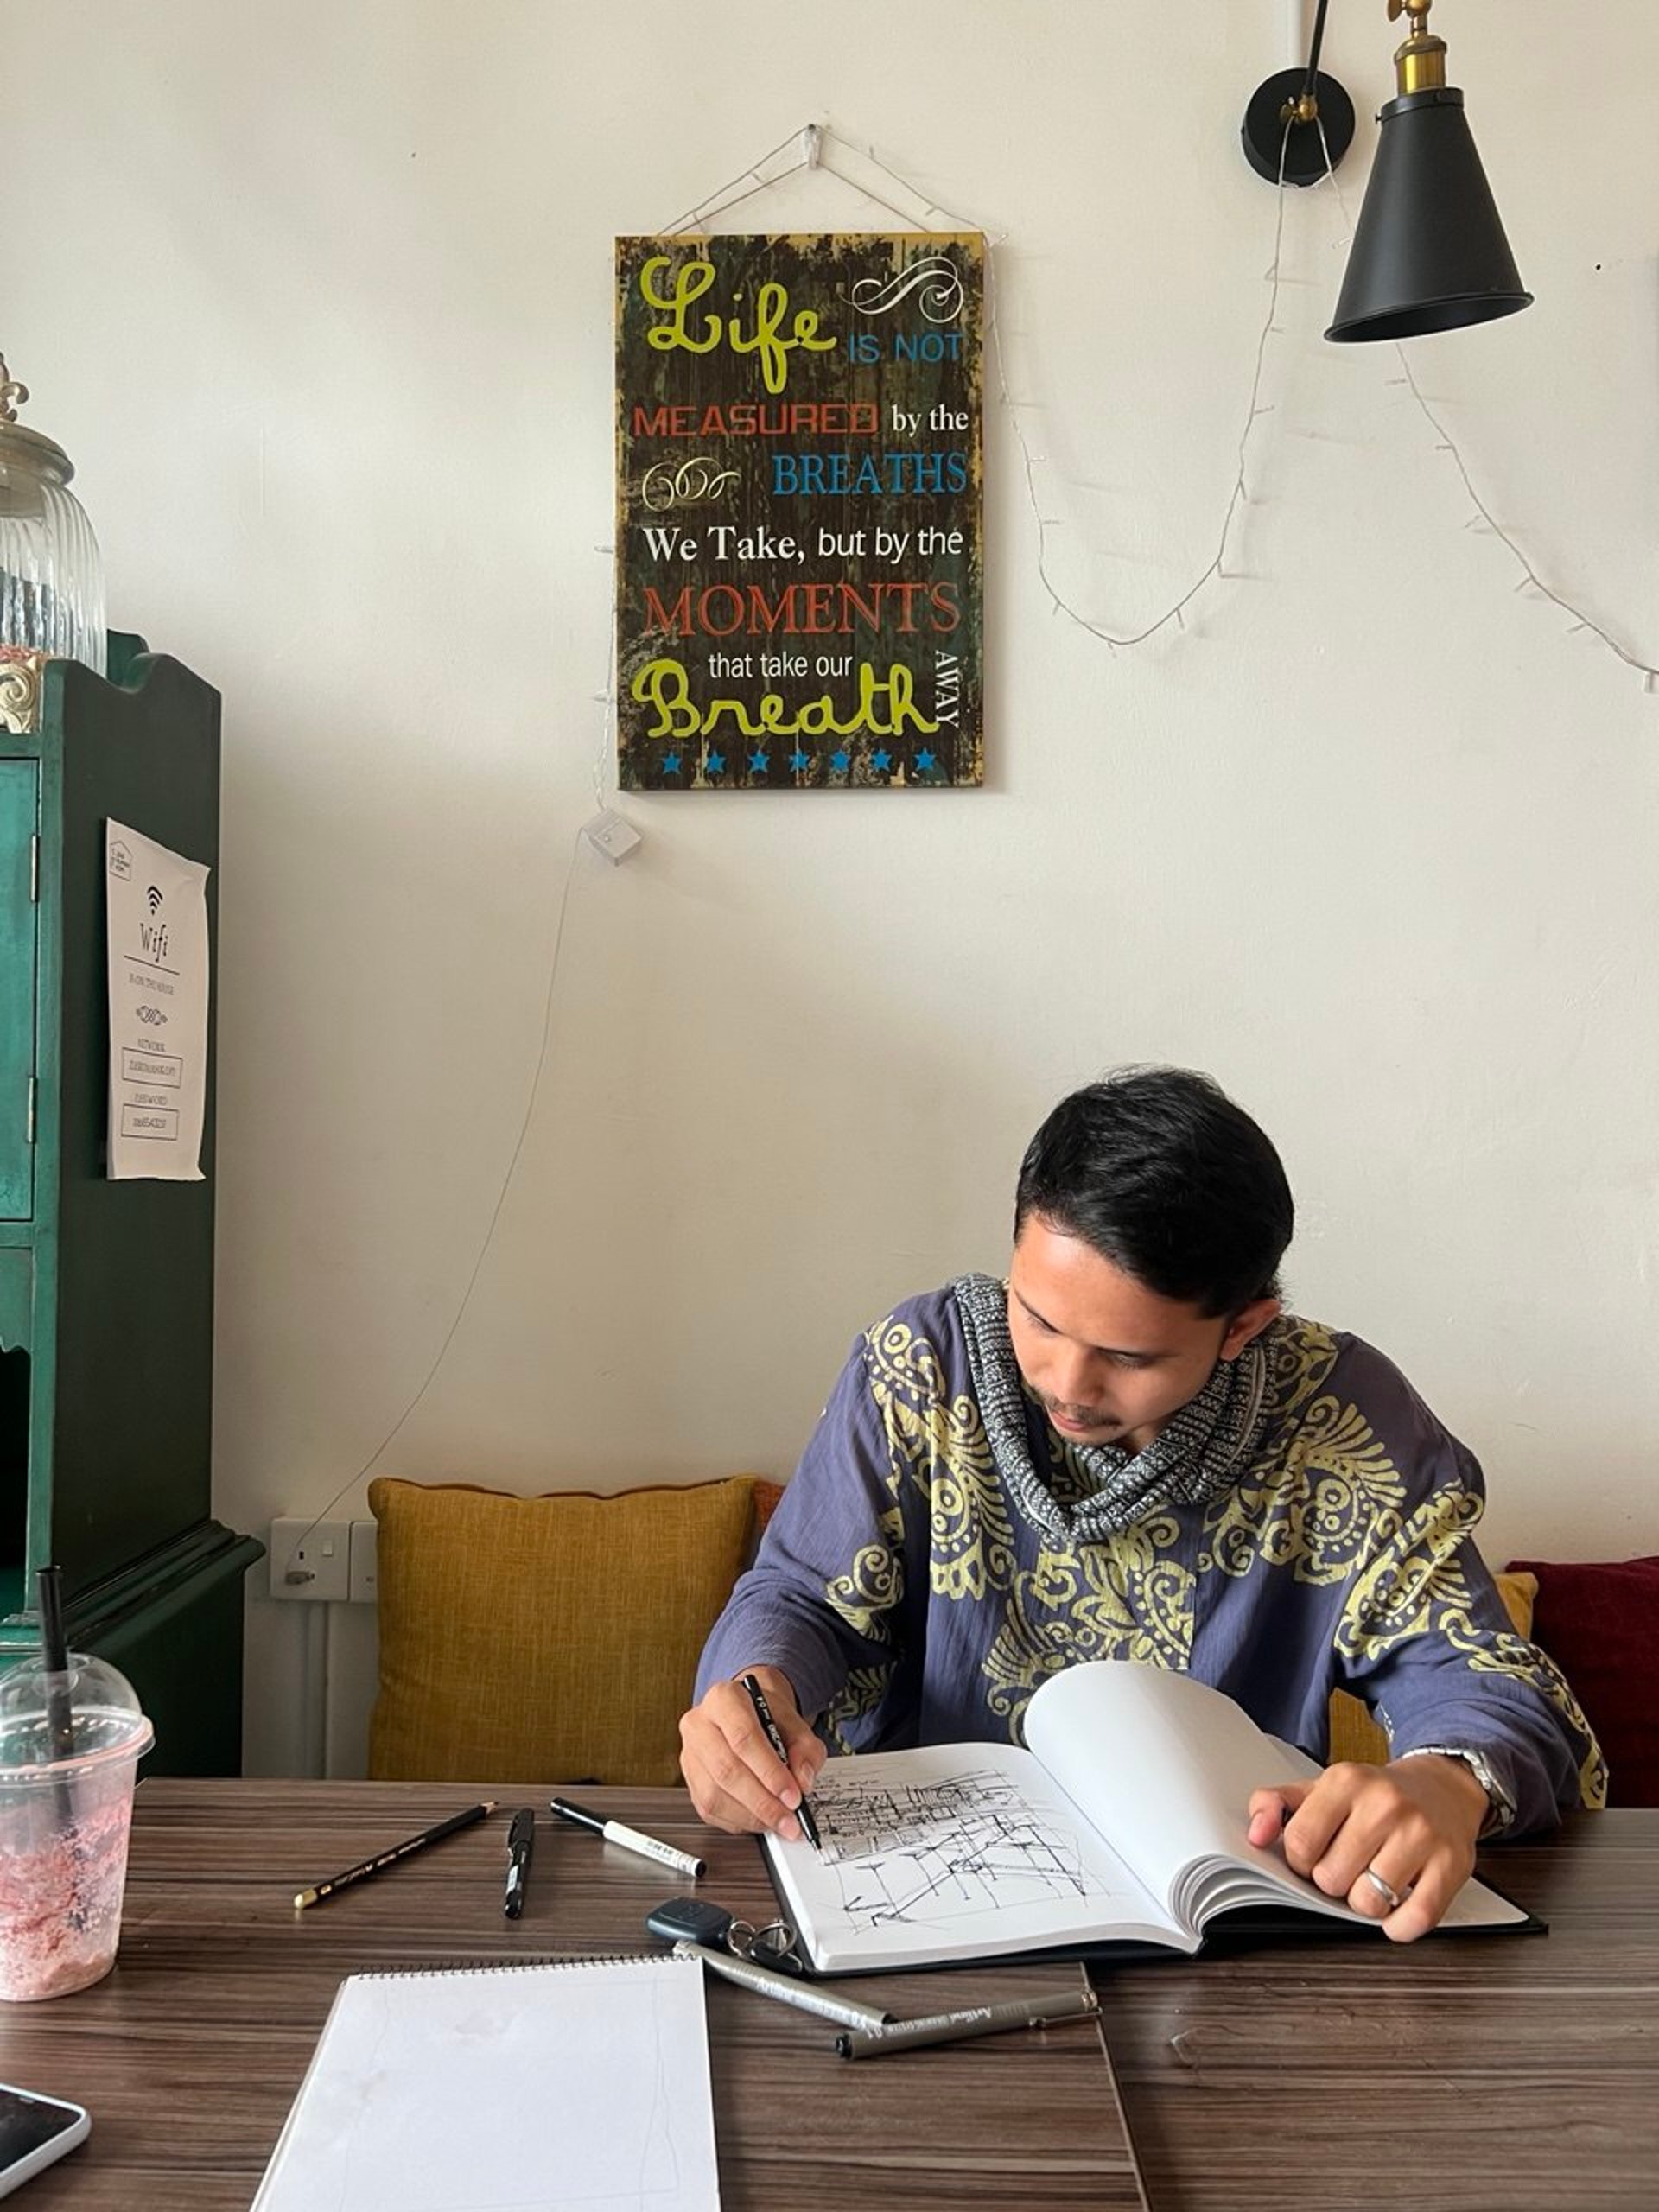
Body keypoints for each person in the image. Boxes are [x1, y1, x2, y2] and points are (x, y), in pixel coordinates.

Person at [680, 1066, 1605, 1942]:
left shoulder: (1342, 1416)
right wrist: (756, 1690)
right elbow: (800, 1596)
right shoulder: (923, 1363)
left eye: (1130, 1357)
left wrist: (1443, 1784)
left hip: (1224, 1911)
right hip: (926, 1898)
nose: (1068, 1384)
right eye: (1038, 1318)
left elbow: (1472, 1666)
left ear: (1245, 1323)